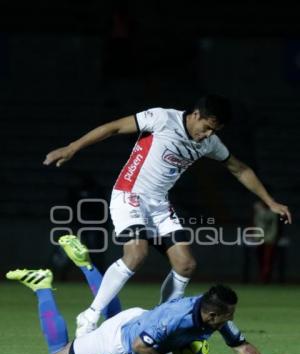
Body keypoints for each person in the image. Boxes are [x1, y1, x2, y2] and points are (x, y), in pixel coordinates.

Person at [43, 94, 292, 337]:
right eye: (206, 127)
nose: (207, 135)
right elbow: (114, 127)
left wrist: (269, 201)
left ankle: (160, 322)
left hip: (160, 205)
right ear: (196, 115)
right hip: (130, 195)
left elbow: (240, 168)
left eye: (214, 131)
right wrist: (72, 147)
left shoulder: (209, 143)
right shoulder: (162, 118)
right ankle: (90, 315)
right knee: (137, 254)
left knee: (186, 265)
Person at [5, 265, 283, 354]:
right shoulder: (175, 318)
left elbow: (239, 345)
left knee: (119, 318)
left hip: (139, 317)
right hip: (118, 339)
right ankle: (42, 285)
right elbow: (140, 346)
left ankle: (88, 266)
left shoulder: (213, 312)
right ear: (211, 315)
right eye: (227, 315)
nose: (230, 319)